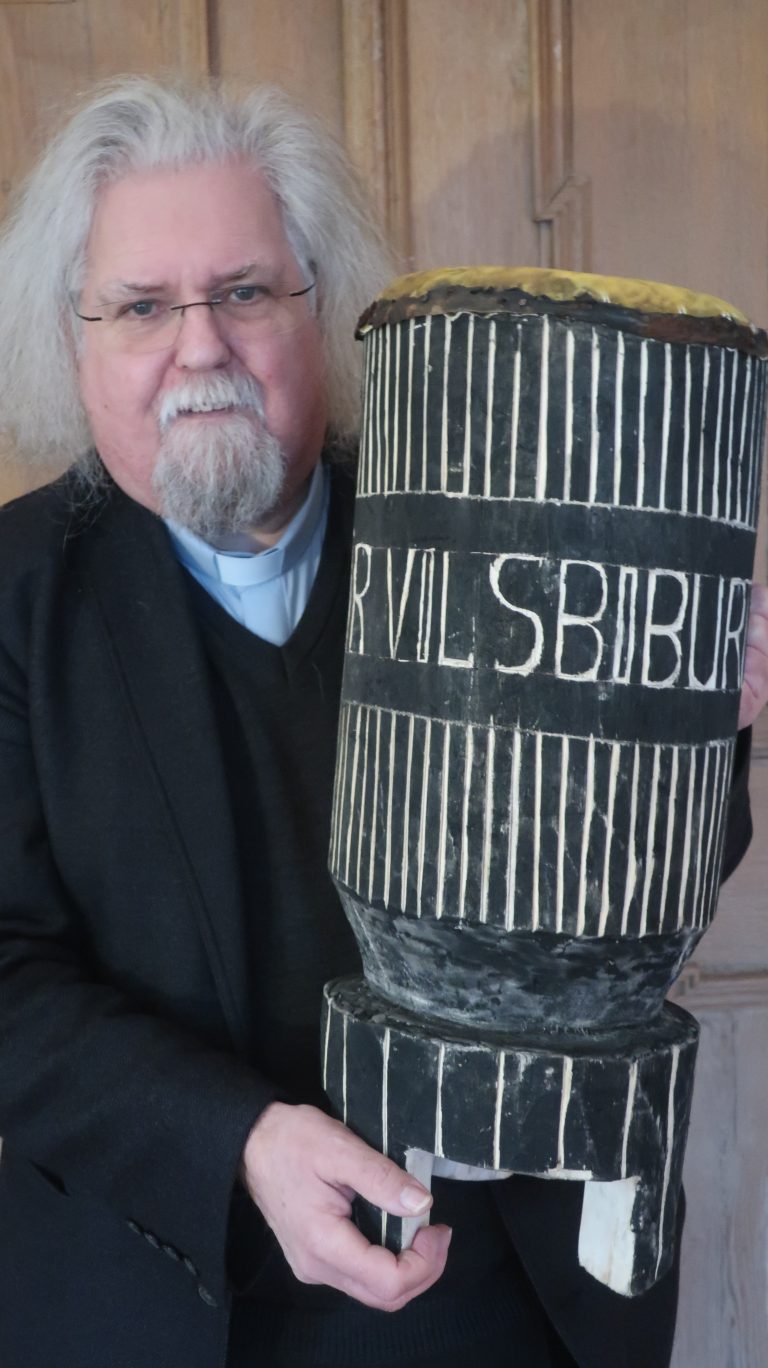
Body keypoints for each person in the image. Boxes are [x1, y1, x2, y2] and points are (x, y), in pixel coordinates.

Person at [0, 76, 765, 1368]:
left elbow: (620, 894)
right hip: (163, 1293)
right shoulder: (16, 599)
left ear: (322, 307)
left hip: (498, 1287)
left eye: (246, 292)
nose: (200, 347)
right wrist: (237, 1140)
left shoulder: (486, 528)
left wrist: (702, 729)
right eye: (142, 306)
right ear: (73, 343)